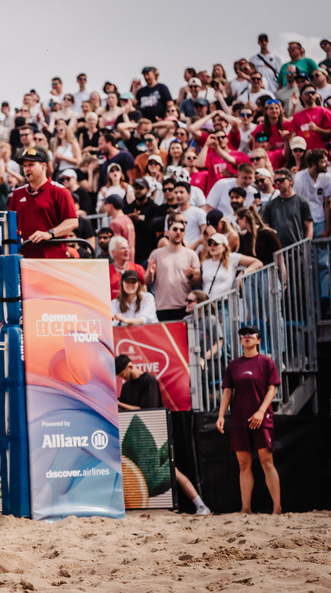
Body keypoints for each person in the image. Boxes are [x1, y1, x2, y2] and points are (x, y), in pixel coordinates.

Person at [115, 355, 211, 515]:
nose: (122, 378)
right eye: (120, 376)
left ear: (131, 366)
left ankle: (200, 504)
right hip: (133, 435)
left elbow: (147, 410)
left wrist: (118, 403)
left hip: (155, 433)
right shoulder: (126, 388)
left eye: (123, 374)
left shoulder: (149, 381)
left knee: (172, 470)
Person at [217, 326, 282, 515]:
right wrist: (221, 416)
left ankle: (277, 508)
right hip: (239, 418)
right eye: (243, 335)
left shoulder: (266, 362)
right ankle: (245, 509)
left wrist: (261, 411)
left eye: (250, 334)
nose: (246, 337)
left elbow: (272, 389)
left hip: (262, 417)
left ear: (258, 340)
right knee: (243, 464)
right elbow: (227, 391)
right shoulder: (234, 365)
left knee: (266, 461)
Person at [7, 147, 79, 258]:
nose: (26, 169)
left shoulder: (60, 191)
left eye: (31, 165)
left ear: (43, 166)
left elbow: (72, 222)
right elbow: (10, 224)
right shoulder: (17, 194)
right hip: (24, 257)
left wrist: (49, 233)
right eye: (24, 166)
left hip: (52, 257)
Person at [145, 218, 201, 321]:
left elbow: (198, 283)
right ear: (167, 232)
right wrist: (150, 273)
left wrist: (192, 276)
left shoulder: (191, 254)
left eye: (182, 230)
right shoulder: (156, 254)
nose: (178, 232)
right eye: (175, 229)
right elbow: (147, 282)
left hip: (184, 307)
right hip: (162, 307)